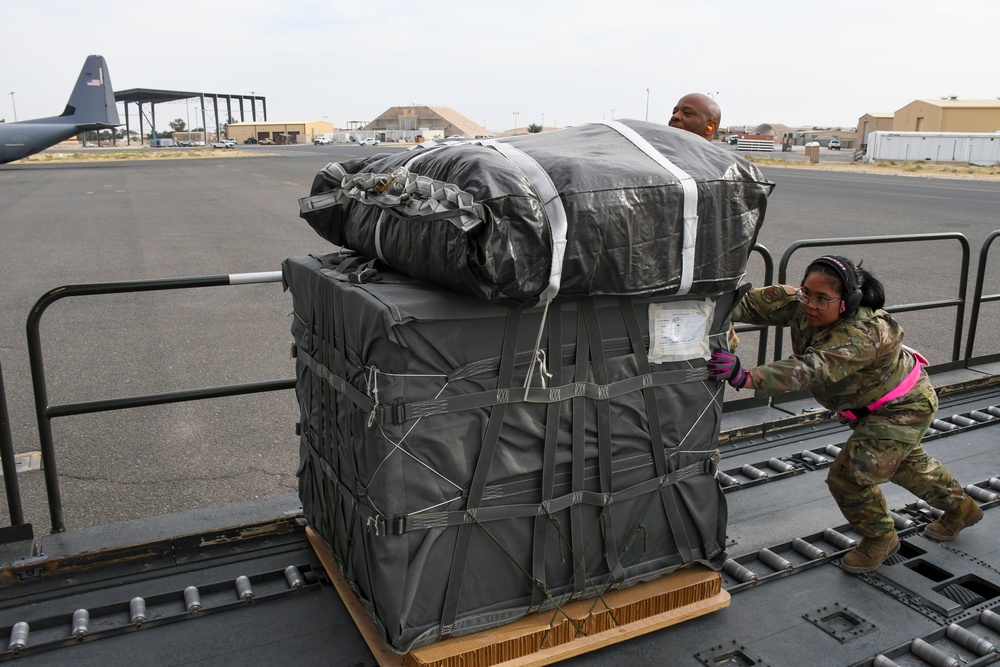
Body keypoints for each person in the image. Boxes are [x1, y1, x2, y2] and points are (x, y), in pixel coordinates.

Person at [708, 255, 983, 573]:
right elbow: (744, 304)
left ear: (847, 301)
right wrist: (713, 311)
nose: (810, 303)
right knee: (907, 465)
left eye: (822, 298)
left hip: (902, 409)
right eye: (806, 292)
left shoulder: (861, 335)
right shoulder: (804, 303)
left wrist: (746, 376)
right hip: (869, 407)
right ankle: (961, 508)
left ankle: (880, 539)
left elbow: (813, 368)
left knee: (849, 476)